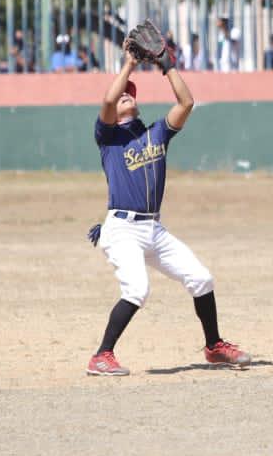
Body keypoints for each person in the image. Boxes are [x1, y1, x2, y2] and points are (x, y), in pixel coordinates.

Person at [85, 42, 252, 376]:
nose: (125, 96)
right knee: (137, 289)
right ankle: (101, 355)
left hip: (153, 229)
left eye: (130, 93)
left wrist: (167, 65)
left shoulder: (155, 133)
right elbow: (106, 100)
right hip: (122, 229)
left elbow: (186, 103)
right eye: (122, 95)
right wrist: (129, 65)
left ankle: (214, 346)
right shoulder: (108, 138)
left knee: (201, 278)